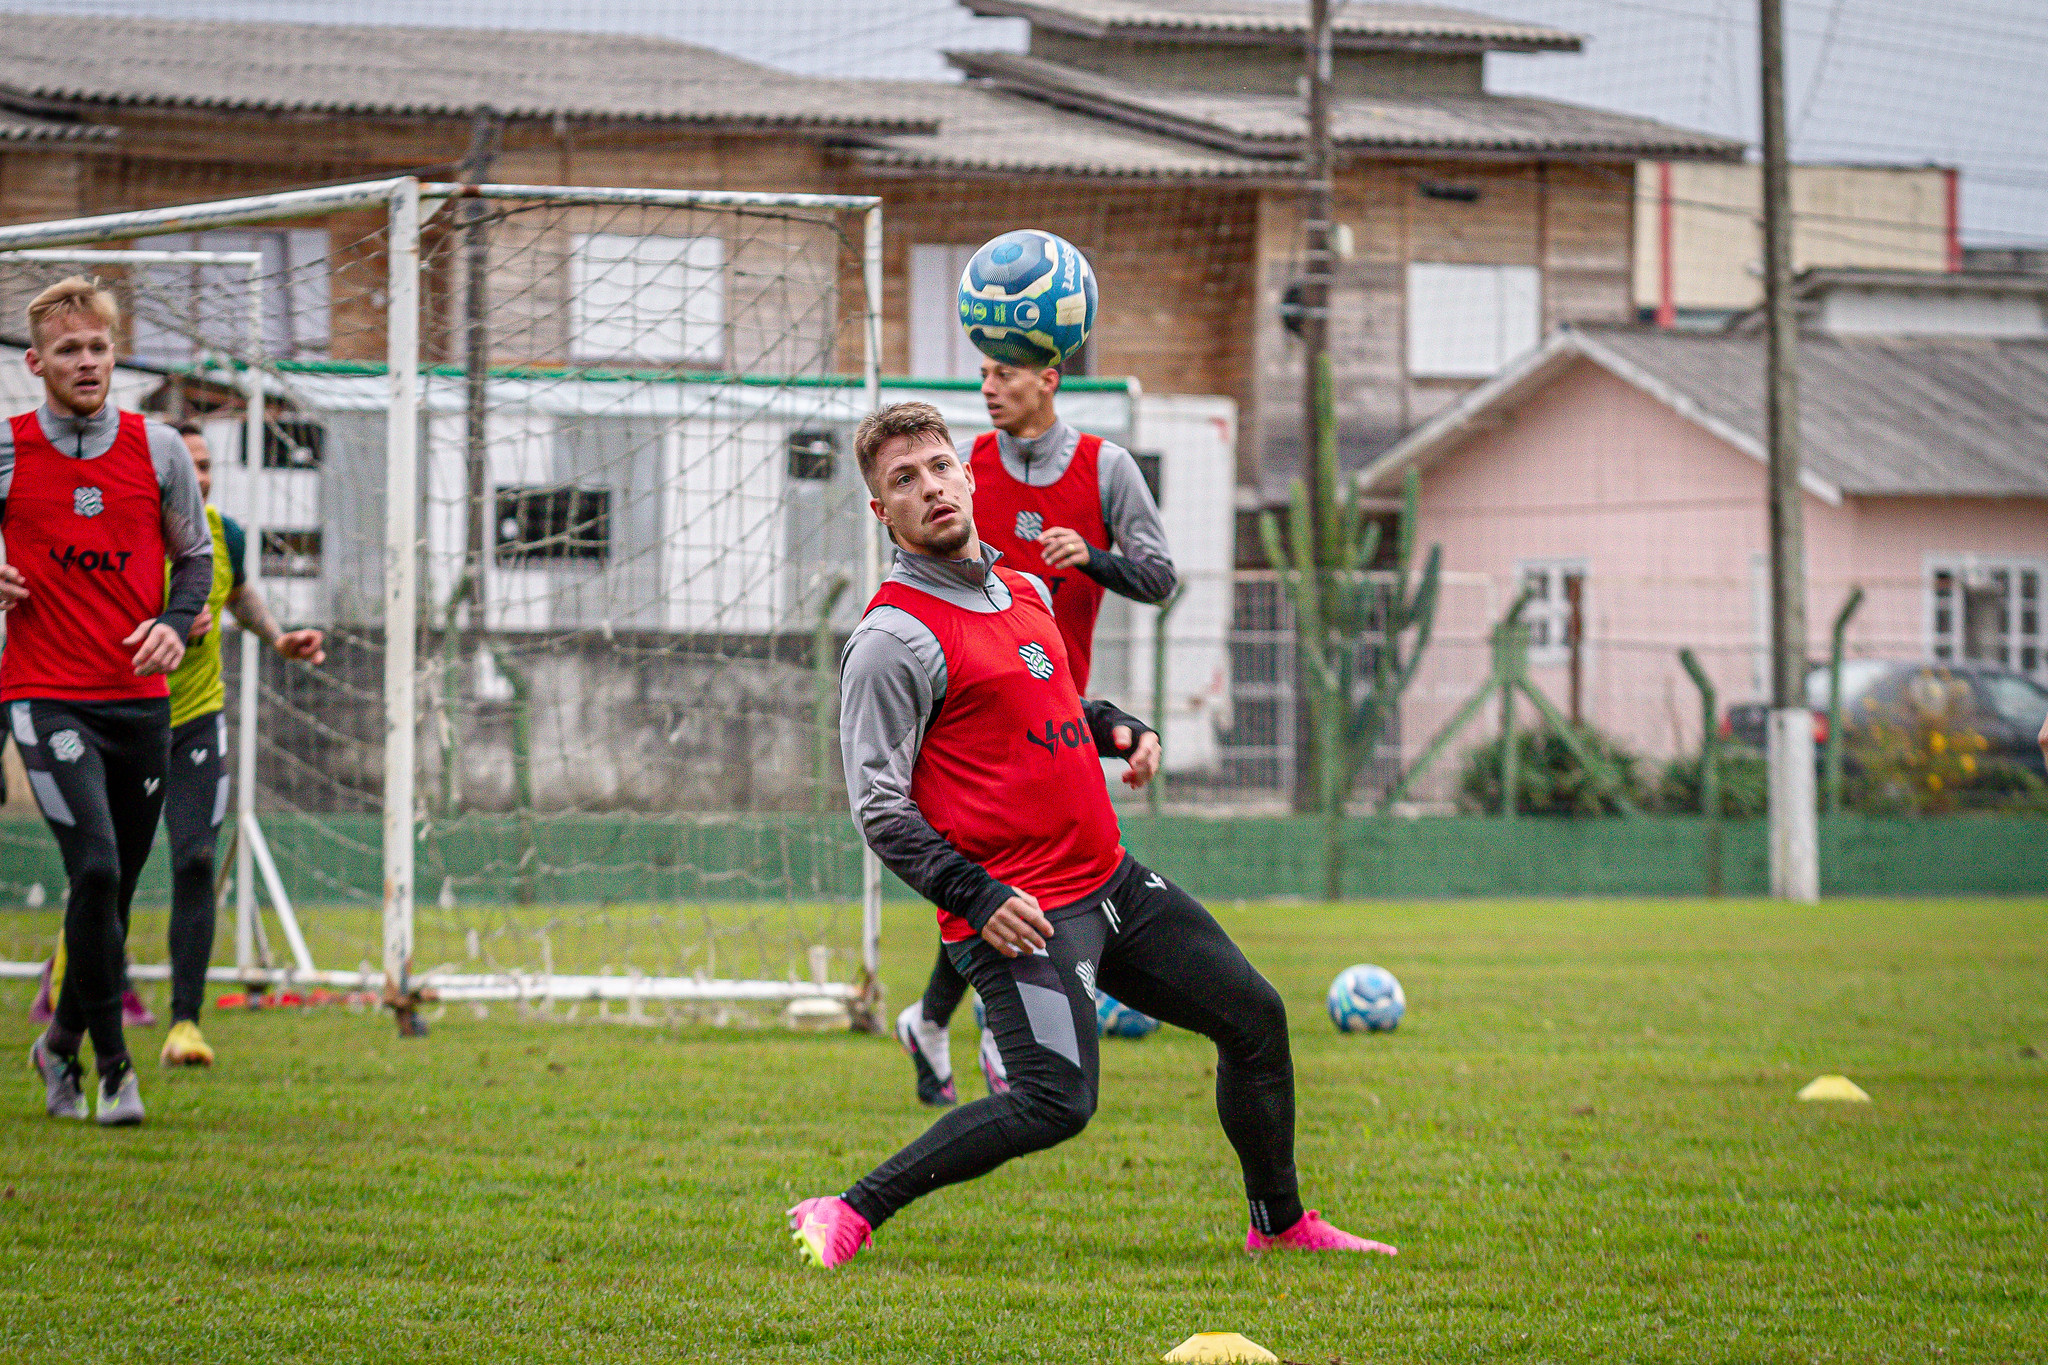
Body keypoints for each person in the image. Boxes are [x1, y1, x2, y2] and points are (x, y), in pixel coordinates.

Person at [787, 402, 1394, 1268]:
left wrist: (1117, 727)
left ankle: (1282, 1220)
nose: (929, 487)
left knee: (1255, 1018)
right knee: (1055, 1100)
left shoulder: (1024, 588)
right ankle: (848, 1208)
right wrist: (977, 893)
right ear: (883, 513)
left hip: (1112, 883)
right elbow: (878, 807)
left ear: (966, 474)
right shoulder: (891, 639)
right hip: (1021, 911)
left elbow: (1054, 703)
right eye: (903, 480)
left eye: (937, 466)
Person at [895, 356, 1178, 1108]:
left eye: (1005, 372)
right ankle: (989, 1021)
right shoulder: (966, 465)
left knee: (1023, 871)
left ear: (1050, 376)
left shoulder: (1104, 466)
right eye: (982, 371)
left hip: (1061, 701)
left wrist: (1093, 557)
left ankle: (933, 1021)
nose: (988, 387)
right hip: (975, 703)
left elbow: (1160, 578)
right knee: (998, 867)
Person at [3, 277, 212, 1127]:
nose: (85, 363)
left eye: (97, 348)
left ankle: (58, 1043)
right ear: (36, 363)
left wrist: (171, 620)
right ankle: (116, 1069)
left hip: (139, 701)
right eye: (67, 350)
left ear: (114, 353)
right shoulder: (11, 450)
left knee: (114, 890)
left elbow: (193, 555)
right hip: (45, 694)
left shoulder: (158, 448)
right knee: (91, 865)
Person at [151, 421, 325, 1066]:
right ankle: (70, 1006)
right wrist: (161, 615)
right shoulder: (126, 533)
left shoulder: (223, 534)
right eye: (185, 465)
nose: (197, 478)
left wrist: (277, 636)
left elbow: (239, 591)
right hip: (123, 720)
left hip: (197, 717)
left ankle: (185, 1026)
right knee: (101, 873)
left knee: (196, 859)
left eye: (205, 465)